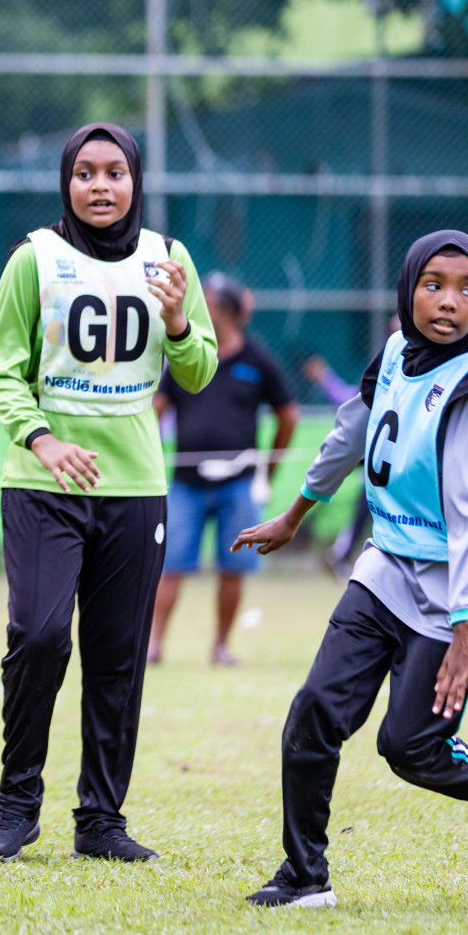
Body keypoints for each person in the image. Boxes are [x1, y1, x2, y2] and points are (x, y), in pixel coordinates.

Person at [233, 230, 468, 909]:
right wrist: (296, 514)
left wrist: (466, 629)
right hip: (384, 573)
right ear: (407, 289)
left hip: (452, 592)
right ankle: (305, 877)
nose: (449, 302)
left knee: (411, 748)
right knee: (314, 712)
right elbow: (351, 432)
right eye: (434, 284)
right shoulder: (399, 352)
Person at [0, 123, 217, 863]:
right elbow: (2, 369)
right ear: (66, 183)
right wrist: (41, 438)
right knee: (41, 636)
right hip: (43, 484)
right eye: (86, 173)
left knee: (117, 655)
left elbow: (199, 370)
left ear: (137, 180)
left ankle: (101, 820)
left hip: (136, 486)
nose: (102, 186)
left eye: (116, 172)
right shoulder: (33, 260)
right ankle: (17, 803)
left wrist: (177, 320)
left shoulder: (169, 260)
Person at [149, 273, 298, 667]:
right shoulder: (186, 356)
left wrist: (269, 469)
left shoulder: (258, 361)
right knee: (171, 564)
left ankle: (220, 647)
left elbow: (288, 414)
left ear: (229, 313)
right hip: (185, 484)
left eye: (208, 305)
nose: (199, 310)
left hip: (238, 484)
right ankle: (154, 645)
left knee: (234, 568)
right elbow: (156, 409)